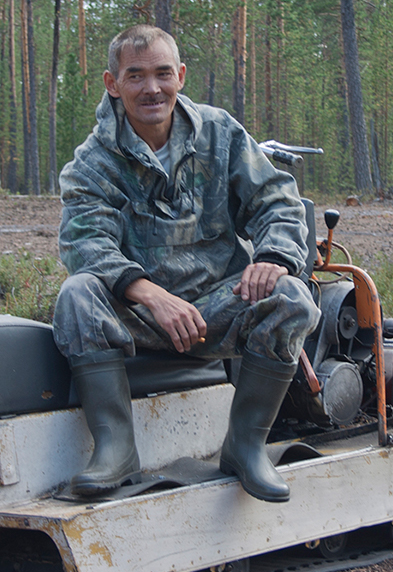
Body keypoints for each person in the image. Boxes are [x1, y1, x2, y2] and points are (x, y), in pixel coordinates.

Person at [53, 25, 320, 503]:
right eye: (135, 76)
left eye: (161, 74)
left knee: (292, 296)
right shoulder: (93, 162)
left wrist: (274, 257)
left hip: (217, 307)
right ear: (113, 84)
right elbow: (85, 244)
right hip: (140, 316)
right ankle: (115, 449)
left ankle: (245, 447)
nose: (150, 88)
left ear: (180, 75)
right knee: (77, 295)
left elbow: (276, 199)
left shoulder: (220, 134)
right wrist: (151, 295)